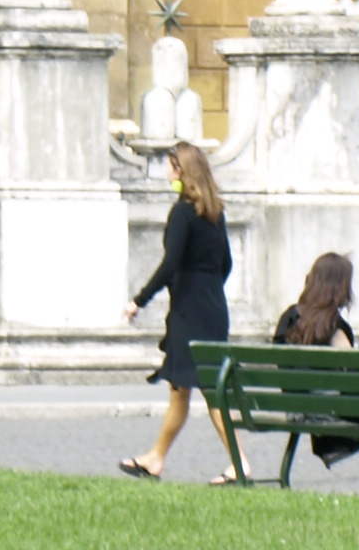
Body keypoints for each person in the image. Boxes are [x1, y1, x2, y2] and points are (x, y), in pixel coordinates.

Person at [119, 140, 236, 480]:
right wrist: (206, 287)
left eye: (171, 166)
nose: (168, 172)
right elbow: (226, 264)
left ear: (181, 171)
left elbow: (170, 263)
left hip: (188, 311)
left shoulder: (183, 212)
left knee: (207, 391)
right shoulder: (215, 212)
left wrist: (139, 300)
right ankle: (156, 457)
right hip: (213, 306)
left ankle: (239, 462)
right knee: (181, 390)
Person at [270, 250, 359, 468]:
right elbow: (357, 381)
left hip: (296, 410)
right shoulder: (336, 328)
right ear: (341, 289)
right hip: (329, 414)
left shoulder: (288, 318)